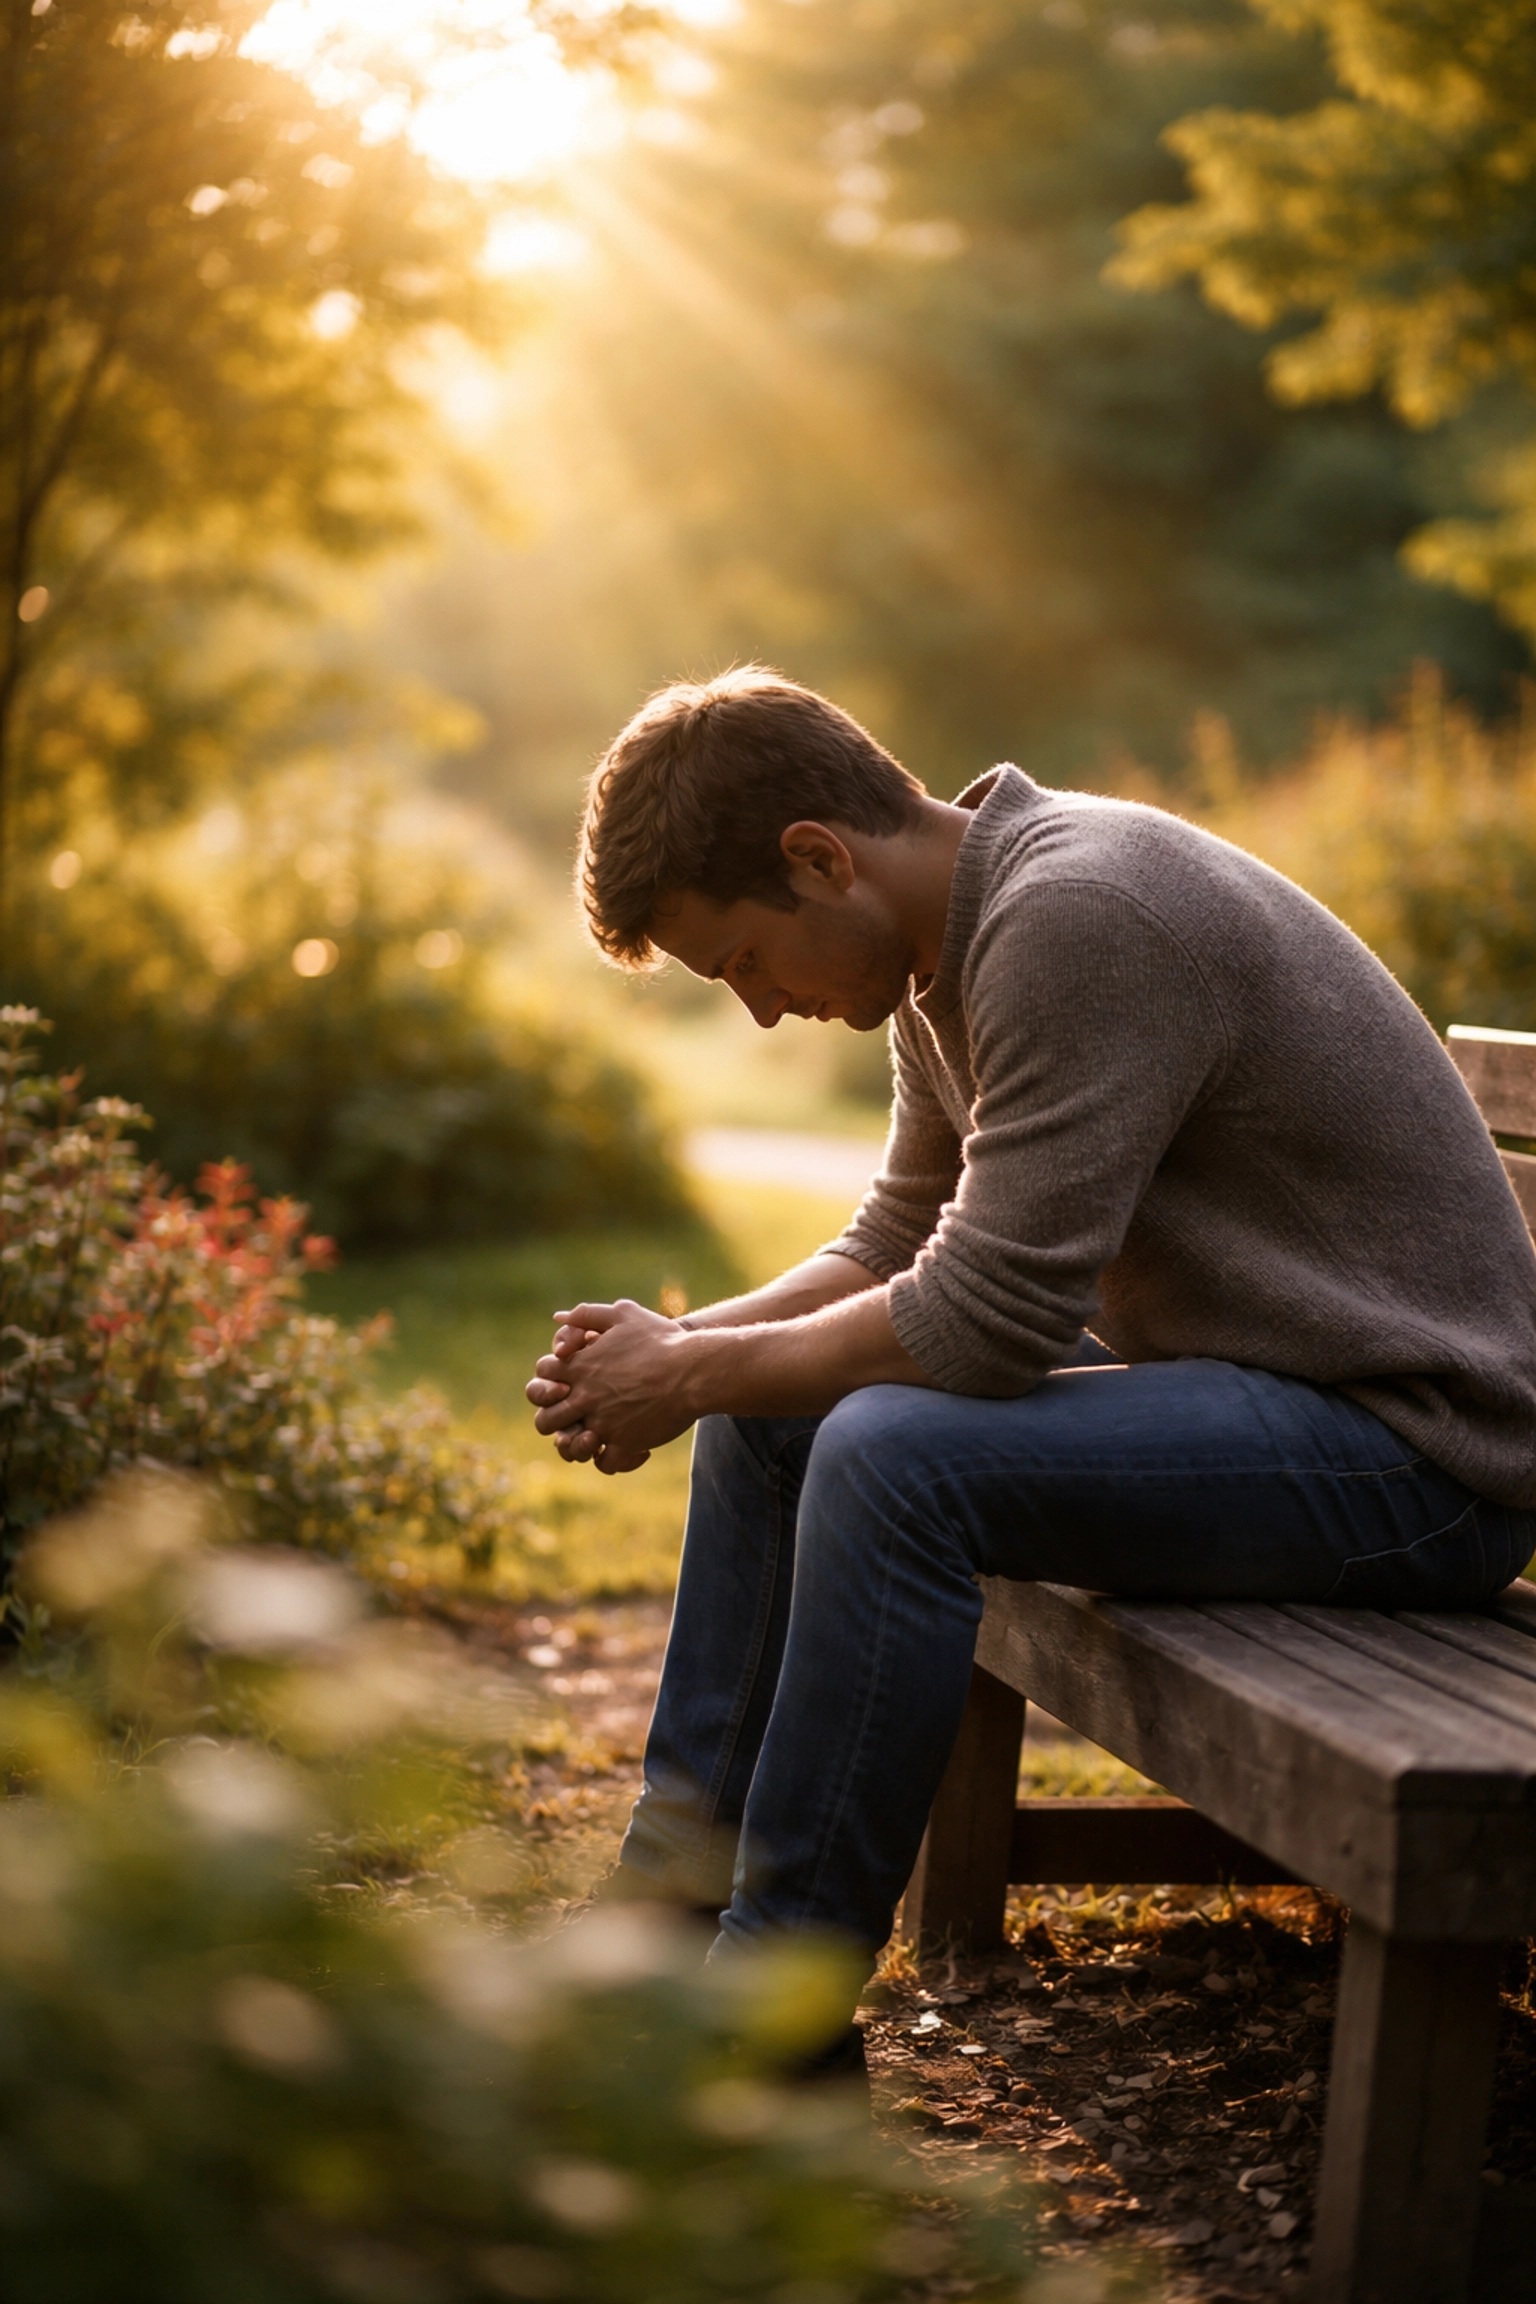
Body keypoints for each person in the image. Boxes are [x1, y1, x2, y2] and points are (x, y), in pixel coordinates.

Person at [525, 666, 1536, 1986]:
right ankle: (666, 1899)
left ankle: (771, 2006)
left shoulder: (1076, 918)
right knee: (773, 1422)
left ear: (819, 859)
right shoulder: (949, 936)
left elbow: (987, 1320)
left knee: (894, 1455)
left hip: (1417, 1454)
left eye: (745, 964)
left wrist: (698, 1364)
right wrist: (680, 1356)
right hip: (1274, 1388)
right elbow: (899, 1239)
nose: (763, 1008)